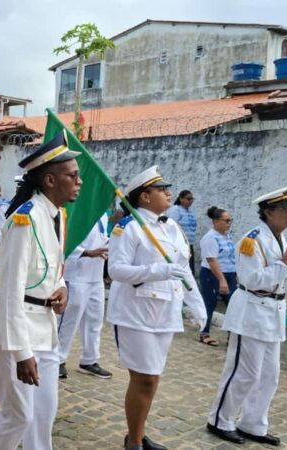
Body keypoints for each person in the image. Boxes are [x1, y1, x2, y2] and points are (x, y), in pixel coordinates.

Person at [0, 131, 80, 450]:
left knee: (44, 413)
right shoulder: (24, 220)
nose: (78, 182)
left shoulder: (57, 215)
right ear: (50, 180)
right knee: (18, 414)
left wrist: (62, 288)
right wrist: (22, 353)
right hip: (17, 329)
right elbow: (10, 289)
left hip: (45, 326)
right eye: (73, 176)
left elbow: (53, 266)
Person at [108, 166, 206, 450]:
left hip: (165, 312)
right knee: (145, 379)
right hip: (135, 313)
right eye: (162, 189)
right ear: (145, 197)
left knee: (152, 379)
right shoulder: (128, 227)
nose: (168, 193)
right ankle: (135, 443)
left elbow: (183, 270)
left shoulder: (171, 227)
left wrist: (198, 307)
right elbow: (116, 270)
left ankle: (136, 433)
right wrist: (157, 270)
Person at [206, 187, 287, 446]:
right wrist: (284, 264)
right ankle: (220, 420)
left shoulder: (280, 239)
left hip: (273, 313)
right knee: (244, 371)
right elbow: (251, 279)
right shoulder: (253, 239)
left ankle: (253, 424)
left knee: (270, 374)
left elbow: (278, 274)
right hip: (252, 311)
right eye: (286, 209)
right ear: (270, 213)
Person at [57, 211, 112, 380]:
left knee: (95, 320)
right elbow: (65, 241)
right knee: (68, 321)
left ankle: (89, 360)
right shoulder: (78, 210)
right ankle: (57, 359)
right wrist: (87, 252)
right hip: (77, 274)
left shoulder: (103, 214)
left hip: (96, 275)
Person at [197, 206, 237, 346]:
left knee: (234, 305)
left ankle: (232, 336)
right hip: (212, 274)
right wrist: (222, 280)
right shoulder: (210, 237)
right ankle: (204, 333)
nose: (228, 223)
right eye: (225, 220)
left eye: (230, 220)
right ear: (215, 221)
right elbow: (212, 260)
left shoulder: (228, 235)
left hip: (230, 273)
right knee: (210, 303)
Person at [167, 190, 197, 273]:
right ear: (181, 199)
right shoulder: (175, 210)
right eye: (188, 199)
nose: (191, 201)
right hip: (179, 245)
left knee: (190, 268)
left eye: (192, 199)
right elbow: (171, 227)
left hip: (189, 244)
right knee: (182, 268)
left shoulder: (191, 211)